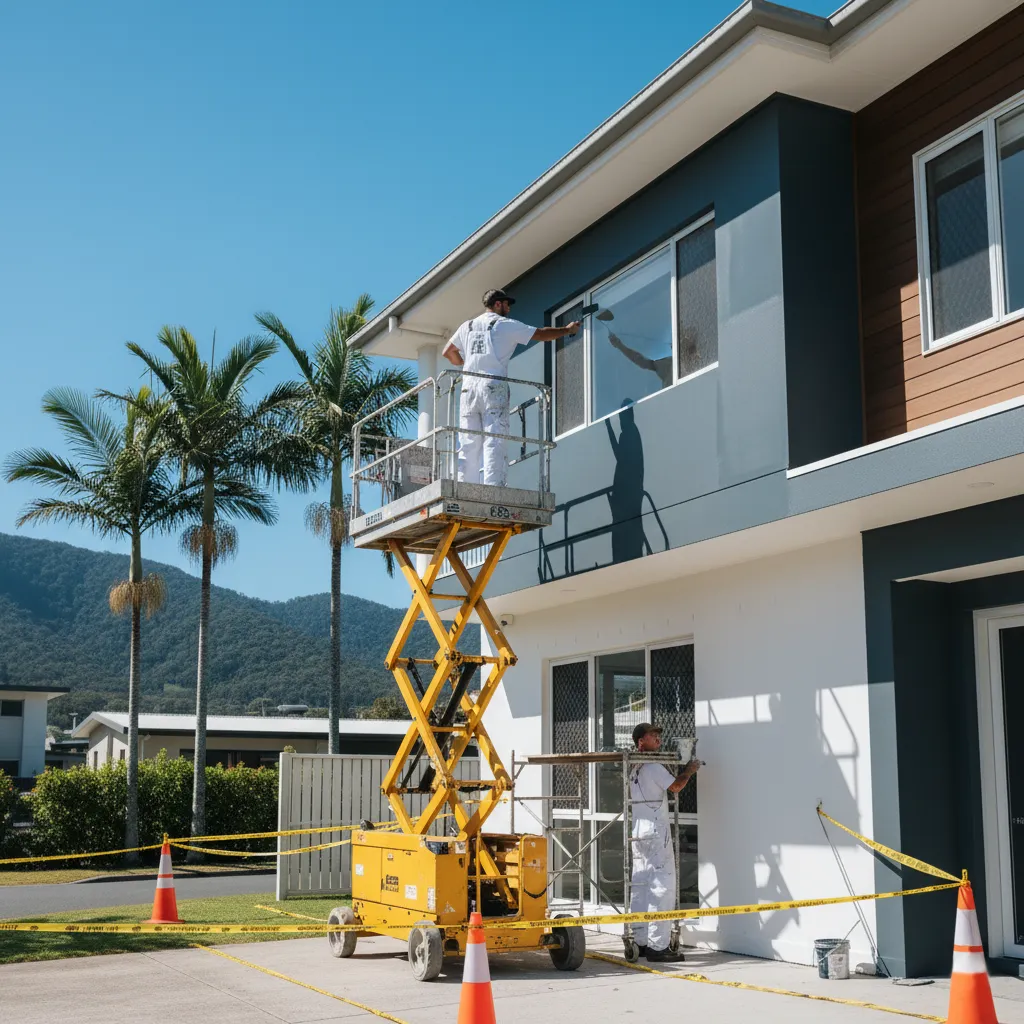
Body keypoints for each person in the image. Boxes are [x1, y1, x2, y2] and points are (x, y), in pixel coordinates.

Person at [442, 289, 580, 486]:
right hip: (492, 386)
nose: (509, 308)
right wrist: (567, 330)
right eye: (507, 304)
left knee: (468, 441)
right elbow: (541, 334)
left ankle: (465, 487)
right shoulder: (503, 325)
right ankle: (493, 487)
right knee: (494, 438)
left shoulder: (468, 326)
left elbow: (448, 352)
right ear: (497, 304)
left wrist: (466, 367)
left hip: (468, 388)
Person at [629, 722, 700, 963]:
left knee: (640, 884)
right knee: (663, 886)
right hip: (655, 832)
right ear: (641, 742)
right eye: (652, 736)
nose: (658, 739)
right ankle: (658, 947)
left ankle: (640, 941)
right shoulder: (653, 766)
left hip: (638, 830)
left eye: (659, 735)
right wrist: (689, 769)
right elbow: (677, 786)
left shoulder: (633, 767)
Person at [606, 329, 674, 390]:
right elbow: (639, 359)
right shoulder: (662, 363)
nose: (671, 344)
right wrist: (619, 345)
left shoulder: (673, 359)